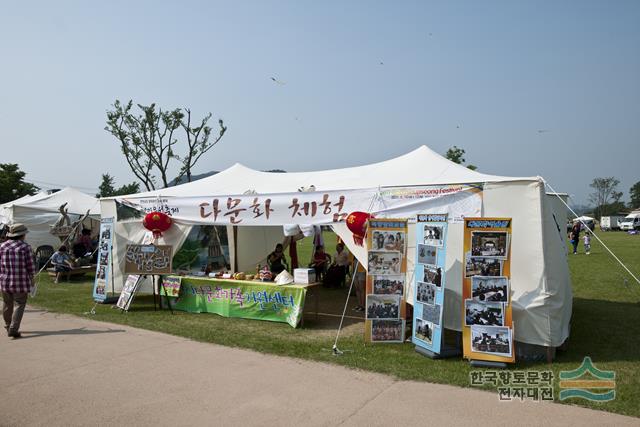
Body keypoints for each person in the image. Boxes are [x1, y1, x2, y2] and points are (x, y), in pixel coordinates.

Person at [0, 223, 35, 339]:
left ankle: (8, 325)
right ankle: (13, 329)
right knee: (19, 304)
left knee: (7, 303)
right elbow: (30, 266)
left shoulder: (2, 246)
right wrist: (32, 279)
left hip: (4, 280)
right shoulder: (25, 247)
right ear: (22, 235)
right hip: (20, 281)